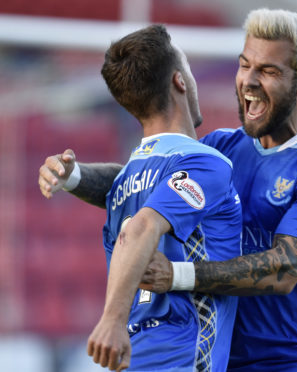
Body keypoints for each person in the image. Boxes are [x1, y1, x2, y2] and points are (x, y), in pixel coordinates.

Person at [39, 9, 297, 372]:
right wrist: (75, 176)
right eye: (245, 66)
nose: (249, 81)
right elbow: (153, 185)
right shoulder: (223, 149)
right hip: (223, 359)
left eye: (268, 71)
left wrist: (179, 274)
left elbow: (284, 270)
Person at [41, 25, 242, 371]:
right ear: (179, 81)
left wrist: (73, 176)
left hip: (137, 358)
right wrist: (112, 320)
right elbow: (140, 230)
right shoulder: (206, 163)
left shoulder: (128, 180)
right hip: (182, 357)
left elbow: (126, 202)